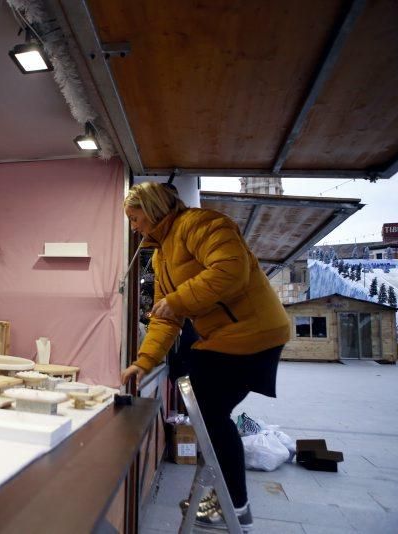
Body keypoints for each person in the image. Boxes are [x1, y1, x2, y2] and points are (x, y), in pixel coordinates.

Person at [120, 181, 290, 531]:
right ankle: (228, 495)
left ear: (152, 209)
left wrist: (178, 301)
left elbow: (231, 271)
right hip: (227, 337)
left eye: (136, 218)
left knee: (209, 408)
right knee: (207, 410)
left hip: (253, 331)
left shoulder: (203, 224)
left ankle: (235, 505)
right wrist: (144, 361)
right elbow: (165, 318)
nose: (134, 227)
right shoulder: (163, 253)